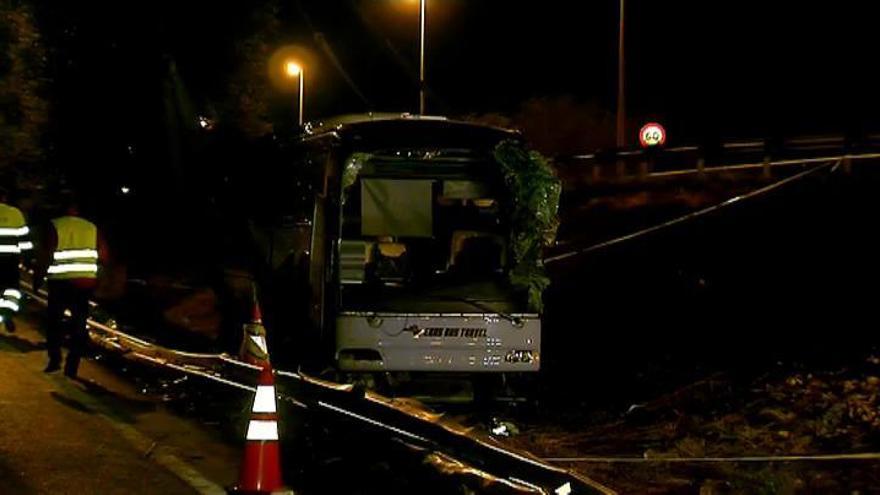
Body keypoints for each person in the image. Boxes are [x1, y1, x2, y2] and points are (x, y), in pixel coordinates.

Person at [35, 199, 106, 377]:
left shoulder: (55, 225)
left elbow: (47, 253)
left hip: (60, 281)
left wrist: (38, 277)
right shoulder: (92, 227)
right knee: (79, 324)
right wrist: (98, 280)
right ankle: (72, 365)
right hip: (84, 283)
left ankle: (54, 359)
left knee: (54, 322)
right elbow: (104, 256)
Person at [0, 188, 33, 333]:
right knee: (12, 289)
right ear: (4, 198)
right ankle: (6, 312)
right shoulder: (15, 213)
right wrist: (28, 258)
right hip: (10, 260)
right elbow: (24, 240)